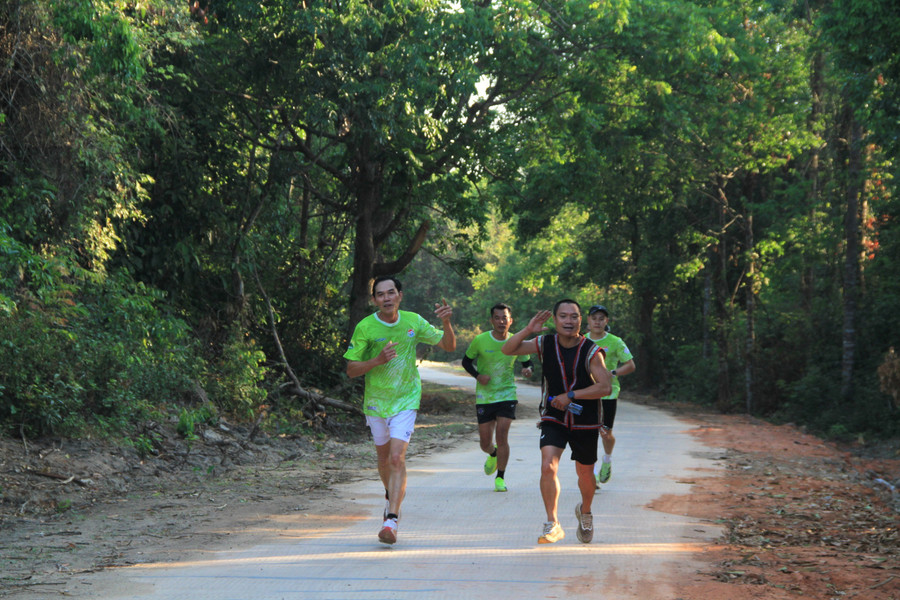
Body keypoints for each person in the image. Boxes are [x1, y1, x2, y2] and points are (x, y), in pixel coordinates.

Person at [344, 275, 456, 545]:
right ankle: (391, 494)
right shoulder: (365, 327)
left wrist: (446, 322)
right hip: (376, 402)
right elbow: (351, 370)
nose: (386, 298)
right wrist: (377, 360)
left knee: (396, 458)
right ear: (374, 300)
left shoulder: (413, 321)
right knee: (384, 460)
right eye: (381, 294)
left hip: (406, 400)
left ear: (399, 296)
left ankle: (391, 520)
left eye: (391, 292)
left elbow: (448, 346)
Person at [501, 299, 612, 544]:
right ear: (554, 320)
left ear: (581, 321)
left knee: (585, 473)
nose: (568, 321)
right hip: (554, 415)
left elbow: (605, 387)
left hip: (585, 419)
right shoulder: (545, 343)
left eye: (574, 316)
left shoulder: (591, 350)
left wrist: (571, 395)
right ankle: (553, 523)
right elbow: (508, 349)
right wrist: (528, 330)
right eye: (563, 316)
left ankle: (585, 512)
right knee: (547, 466)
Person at [461, 303, 534, 492]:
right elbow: (466, 361)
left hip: (507, 394)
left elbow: (528, 362)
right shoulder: (480, 340)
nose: (501, 321)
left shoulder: (516, 341)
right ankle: (492, 454)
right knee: (485, 443)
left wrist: (528, 370)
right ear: (491, 320)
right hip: (485, 396)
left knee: (502, 435)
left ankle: (500, 477)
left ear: (511, 321)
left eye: (505, 318)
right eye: (497, 318)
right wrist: (478, 376)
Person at [585, 305, 636, 487]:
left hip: (608, 393)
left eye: (601, 319)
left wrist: (613, 372)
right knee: (587, 433)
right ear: (588, 320)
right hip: (587, 393)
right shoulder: (581, 340)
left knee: (605, 433)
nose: (597, 322)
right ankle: (590, 474)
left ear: (606, 321)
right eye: (594, 318)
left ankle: (606, 460)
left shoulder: (615, 341)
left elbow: (630, 365)